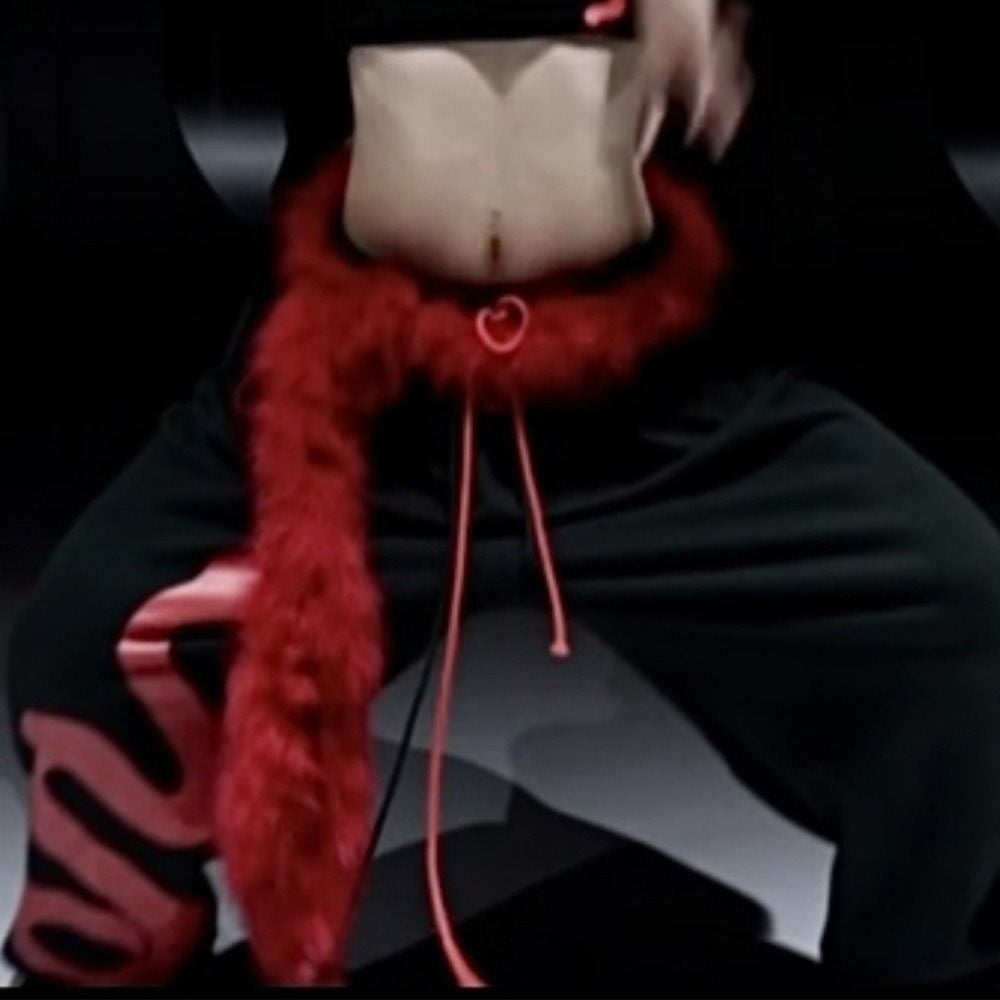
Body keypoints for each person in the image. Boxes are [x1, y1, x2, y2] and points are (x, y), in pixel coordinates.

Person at [6, 0, 1000, 991]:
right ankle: (116, 965)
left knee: (964, 623)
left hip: (651, 394)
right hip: (359, 395)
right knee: (86, 648)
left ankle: (932, 962)